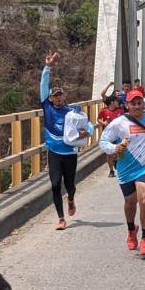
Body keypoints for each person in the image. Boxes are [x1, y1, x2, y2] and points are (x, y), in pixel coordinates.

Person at [99, 89, 145, 256]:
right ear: (127, 105)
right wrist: (115, 147)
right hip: (126, 167)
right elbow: (103, 141)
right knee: (130, 202)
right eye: (133, 103)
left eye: (139, 103)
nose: (136, 106)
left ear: (143, 104)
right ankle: (131, 229)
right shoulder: (118, 123)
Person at [40, 51, 92, 230]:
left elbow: (89, 125)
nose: (58, 98)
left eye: (61, 95)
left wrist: (87, 132)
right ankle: (61, 218)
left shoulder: (72, 111)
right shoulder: (46, 107)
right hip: (54, 153)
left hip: (70, 153)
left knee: (70, 185)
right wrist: (48, 67)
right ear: (50, 97)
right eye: (55, 95)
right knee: (55, 185)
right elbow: (43, 85)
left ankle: (70, 199)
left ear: (64, 96)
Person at [97, 95, 124, 177]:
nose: (118, 102)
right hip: (108, 136)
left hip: (119, 135)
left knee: (120, 152)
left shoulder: (120, 111)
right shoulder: (104, 111)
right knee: (109, 154)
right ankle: (111, 170)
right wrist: (103, 123)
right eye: (116, 101)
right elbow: (98, 119)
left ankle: (120, 168)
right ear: (112, 102)